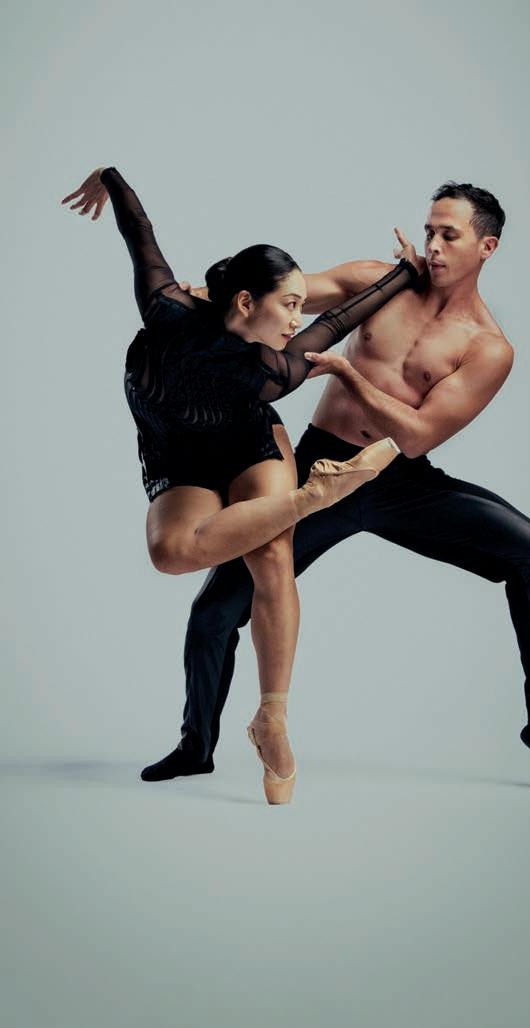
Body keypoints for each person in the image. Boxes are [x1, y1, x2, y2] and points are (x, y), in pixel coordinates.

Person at [143, 180, 530, 795]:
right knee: (216, 609)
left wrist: (347, 372)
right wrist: (196, 301)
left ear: (486, 247)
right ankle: (196, 745)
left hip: (396, 478)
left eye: (449, 235)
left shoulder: (488, 348)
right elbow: (284, 296)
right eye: (429, 231)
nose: (433, 246)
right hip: (319, 467)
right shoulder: (380, 281)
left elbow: (417, 437)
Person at [61, 166, 422, 802]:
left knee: (272, 557)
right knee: (170, 552)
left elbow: (340, 319)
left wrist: (406, 275)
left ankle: (271, 720)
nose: (299, 317)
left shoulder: (272, 370)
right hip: (179, 456)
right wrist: (109, 178)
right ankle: (311, 498)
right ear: (247, 302)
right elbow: (139, 232)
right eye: (289, 304)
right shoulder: (168, 308)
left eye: (301, 304)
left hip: (248, 447)